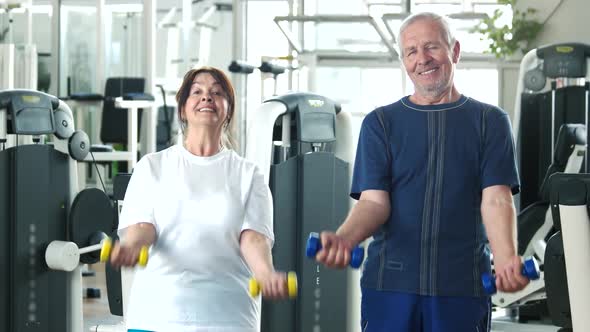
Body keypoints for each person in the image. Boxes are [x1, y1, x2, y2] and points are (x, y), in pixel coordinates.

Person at [314, 12, 530, 332]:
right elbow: (374, 202)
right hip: (390, 285)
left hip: (461, 286)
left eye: (432, 47)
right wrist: (344, 239)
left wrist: (507, 259)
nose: (422, 59)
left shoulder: (490, 121)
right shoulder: (380, 123)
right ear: (403, 60)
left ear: (454, 51)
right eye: (411, 52)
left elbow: (497, 200)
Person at [109, 66, 290, 332]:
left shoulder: (249, 175)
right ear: (182, 109)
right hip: (157, 316)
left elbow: (254, 238)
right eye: (197, 92)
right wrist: (131, 247)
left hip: (229, 318)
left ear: (228, 110)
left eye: (217, 92)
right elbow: (142, 228)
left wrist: (265, 273)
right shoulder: (152, 167)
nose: (207, 97)